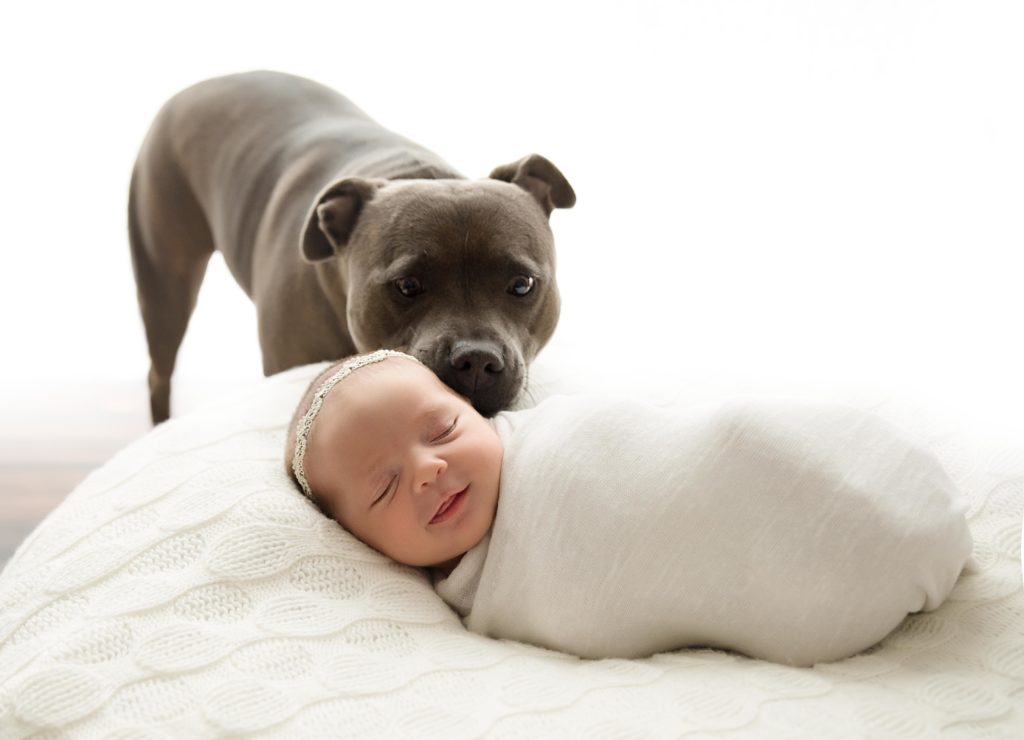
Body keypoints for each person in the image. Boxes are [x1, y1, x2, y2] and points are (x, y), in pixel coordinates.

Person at [285, 349, 971, 666]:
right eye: (384, 488)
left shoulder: (549, 437)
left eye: (443, 431)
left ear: (474, 409)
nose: (430, 471)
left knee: (742, 442)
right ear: (359, 540)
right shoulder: (482, 603)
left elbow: (655, 450)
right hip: (803, 594)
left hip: (752, 460)